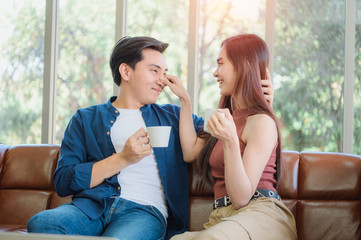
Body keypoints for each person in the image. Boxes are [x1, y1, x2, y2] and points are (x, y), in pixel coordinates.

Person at [27, 36, 274, 240]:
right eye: (154, 71)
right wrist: (122, 159)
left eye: (165, 72)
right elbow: (63, 181)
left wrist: (264, 102)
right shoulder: (85, 119)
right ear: (126, 71)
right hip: (91, 207)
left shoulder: (173, 117)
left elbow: (232, 128)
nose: (162, 80)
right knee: (41, 224)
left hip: (144, 211)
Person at [161, 34, 297, 239]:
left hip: (260, 213)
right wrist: (185, 100)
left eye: (221, 63)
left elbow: (242, 198)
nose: (216, 73)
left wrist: (230, 140)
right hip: (222, 217)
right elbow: (190, 151)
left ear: (244, 65)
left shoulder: (261, 122)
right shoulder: (226, 119)